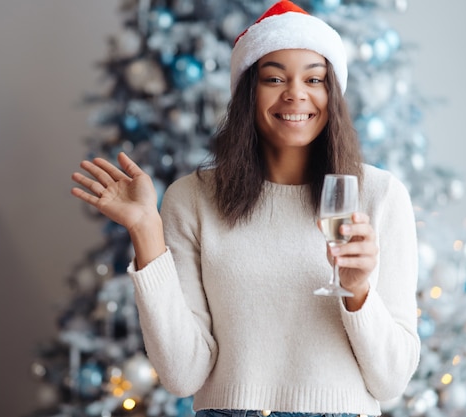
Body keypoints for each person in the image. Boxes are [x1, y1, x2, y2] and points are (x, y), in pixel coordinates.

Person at [71, 1, 420, 417]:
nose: (296, 93)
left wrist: (359, 292)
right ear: (248, 92)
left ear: (333, 94)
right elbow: (183, 375)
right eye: (274, 78)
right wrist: (146, 229)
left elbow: (392, 380)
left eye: (315, 79)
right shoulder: (193, 198)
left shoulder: (380, 195)